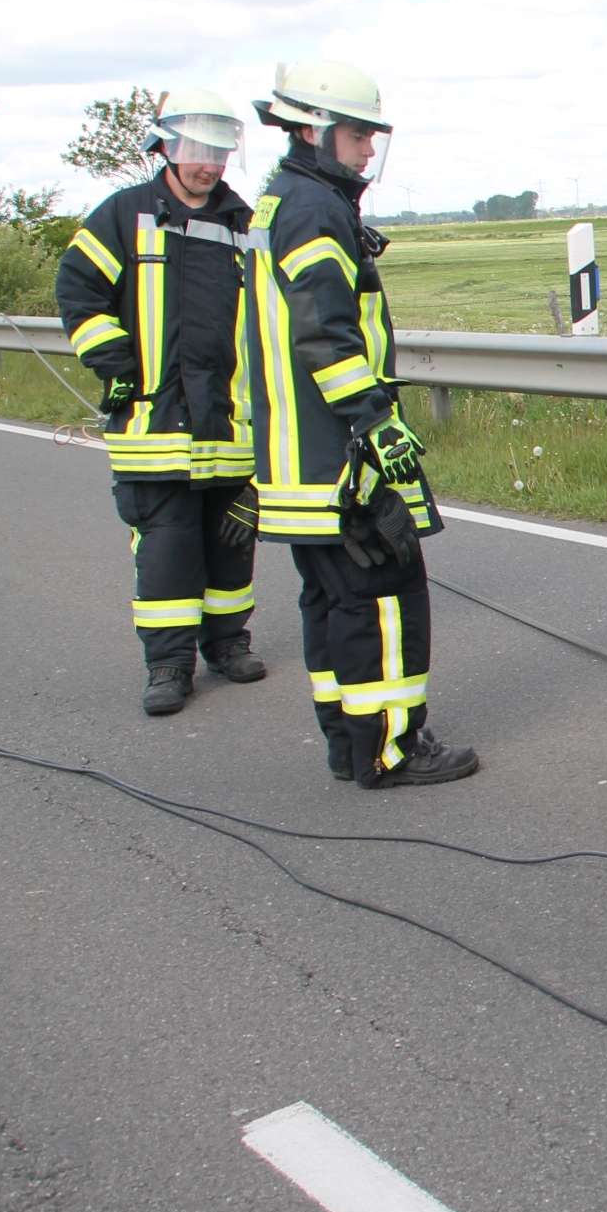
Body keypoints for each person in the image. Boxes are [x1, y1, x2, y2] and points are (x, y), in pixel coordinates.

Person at [243, 60, 478, 788]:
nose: (368, 150)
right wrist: (375, 421)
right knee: (383, 601)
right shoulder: (314, 210)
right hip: (339, 461)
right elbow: (326, 334)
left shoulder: (281, 200)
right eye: (356, 135)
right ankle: (392, 750)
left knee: (332, 604)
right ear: (313, 131)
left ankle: (349, 746)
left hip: (296, 464)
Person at [56, 90, 267, 716]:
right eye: (197, 151)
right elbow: (78, 288)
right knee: (170, 548)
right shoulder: (125, 214)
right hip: (156, 423)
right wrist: (115, 364)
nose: (209, 164)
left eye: (219, 152)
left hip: (230, 427)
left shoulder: (244, 224)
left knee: (232, 541)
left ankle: (228, 644)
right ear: (168, 147)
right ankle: (169, 666)